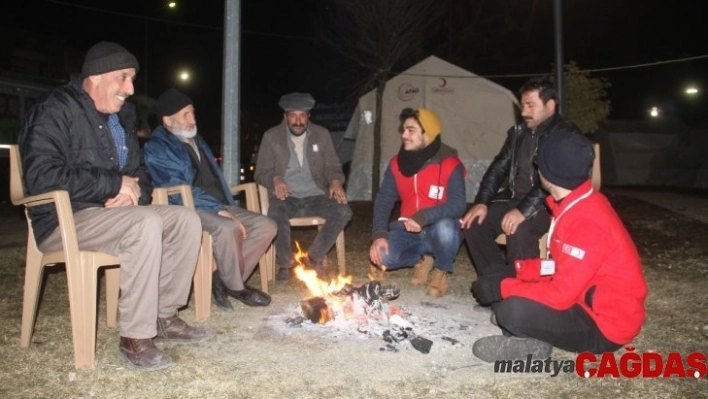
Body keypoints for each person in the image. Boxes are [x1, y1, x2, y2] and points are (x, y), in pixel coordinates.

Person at [17, 41, 214, 371]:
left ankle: (164, 315)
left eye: (132, 79)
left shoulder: (122, 117)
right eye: (123, 78)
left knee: (186, 220)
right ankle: (135, 337)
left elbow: (140, 173)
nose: (130, 88)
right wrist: (110, 185)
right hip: (64, 219)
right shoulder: (55, 110)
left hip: (116, 215)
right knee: (144, 224)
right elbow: (40, 175)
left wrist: (133, 190)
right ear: (95, 77)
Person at [470, 132, 647, 362]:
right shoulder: (572, 204)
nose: (536, 169)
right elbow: (558, 266)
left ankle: (532, 346)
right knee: (508, 294)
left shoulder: (587, 221)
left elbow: (560, 295)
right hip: (582, 300)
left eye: (539, 164)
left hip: (604, 325)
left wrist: (503, 287)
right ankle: (528, 329)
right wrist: (519, 271)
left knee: (511, 310)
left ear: (550, 173)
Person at [144, 88, 277, 311]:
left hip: (218, 204)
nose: (192, 119)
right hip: (186, 209)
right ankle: (236, 286)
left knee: (267, 226)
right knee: (226, 228)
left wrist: (222, 205)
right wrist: (216, 209)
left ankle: (221, 279)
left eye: (192, 113)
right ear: (167, 120)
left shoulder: (198, 140)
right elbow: (175, 189)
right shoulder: (157, 148)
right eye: (185, 114)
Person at [462, 76, 577, 281]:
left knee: (519, 229)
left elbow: (552, 179)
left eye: (531, 105)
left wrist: (523, 210)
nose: (524, 112)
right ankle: (497, 284)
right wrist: (481, 202)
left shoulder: (564, 135)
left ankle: (523, 294)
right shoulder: (518, 134)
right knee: (474, 223)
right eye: (522, 106)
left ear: (550, 105)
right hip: (513, 198)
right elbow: (498, 169)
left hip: (549, 204)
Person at [255, 92, 352, 281]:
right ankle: (286, 264)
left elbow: (333, 166)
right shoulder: (271, 136)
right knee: (275, 214)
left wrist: (335, 181)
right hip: (286, 197)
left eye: (302, 116)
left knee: (344, 211)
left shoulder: (321, 135)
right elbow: (260, 172)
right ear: (285, 117)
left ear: (309, 117)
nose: (298, 121)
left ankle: (314, 258)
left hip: (316, 195)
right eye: (293, 115)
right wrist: (275, 179)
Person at [369, 108, 466, 297]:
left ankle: (441, 270)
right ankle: (422, 259)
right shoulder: (397, 163)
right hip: (407, 229)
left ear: (427, 134)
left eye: (411, 130)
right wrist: (379, 234)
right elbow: (384, 200)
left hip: (439, 228)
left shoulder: (450, 163)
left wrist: (424, 216)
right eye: (404, 130)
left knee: (446, 227)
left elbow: (458, 204)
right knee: (382, 257)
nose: (404, 135)